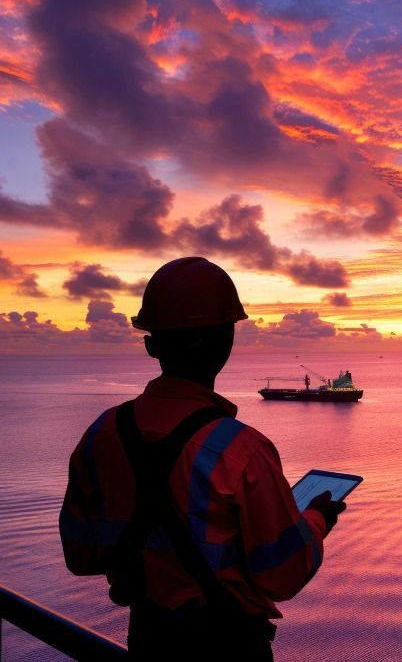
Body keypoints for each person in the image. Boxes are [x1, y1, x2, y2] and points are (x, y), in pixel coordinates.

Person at [59, 257, 346, 660]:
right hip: (228, 648)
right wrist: (317, 519)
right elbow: (285, 574)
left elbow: (80, 554)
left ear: (151, 343)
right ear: (225, 341)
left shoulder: (100, 436)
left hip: (148, 641)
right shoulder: (241, 451)